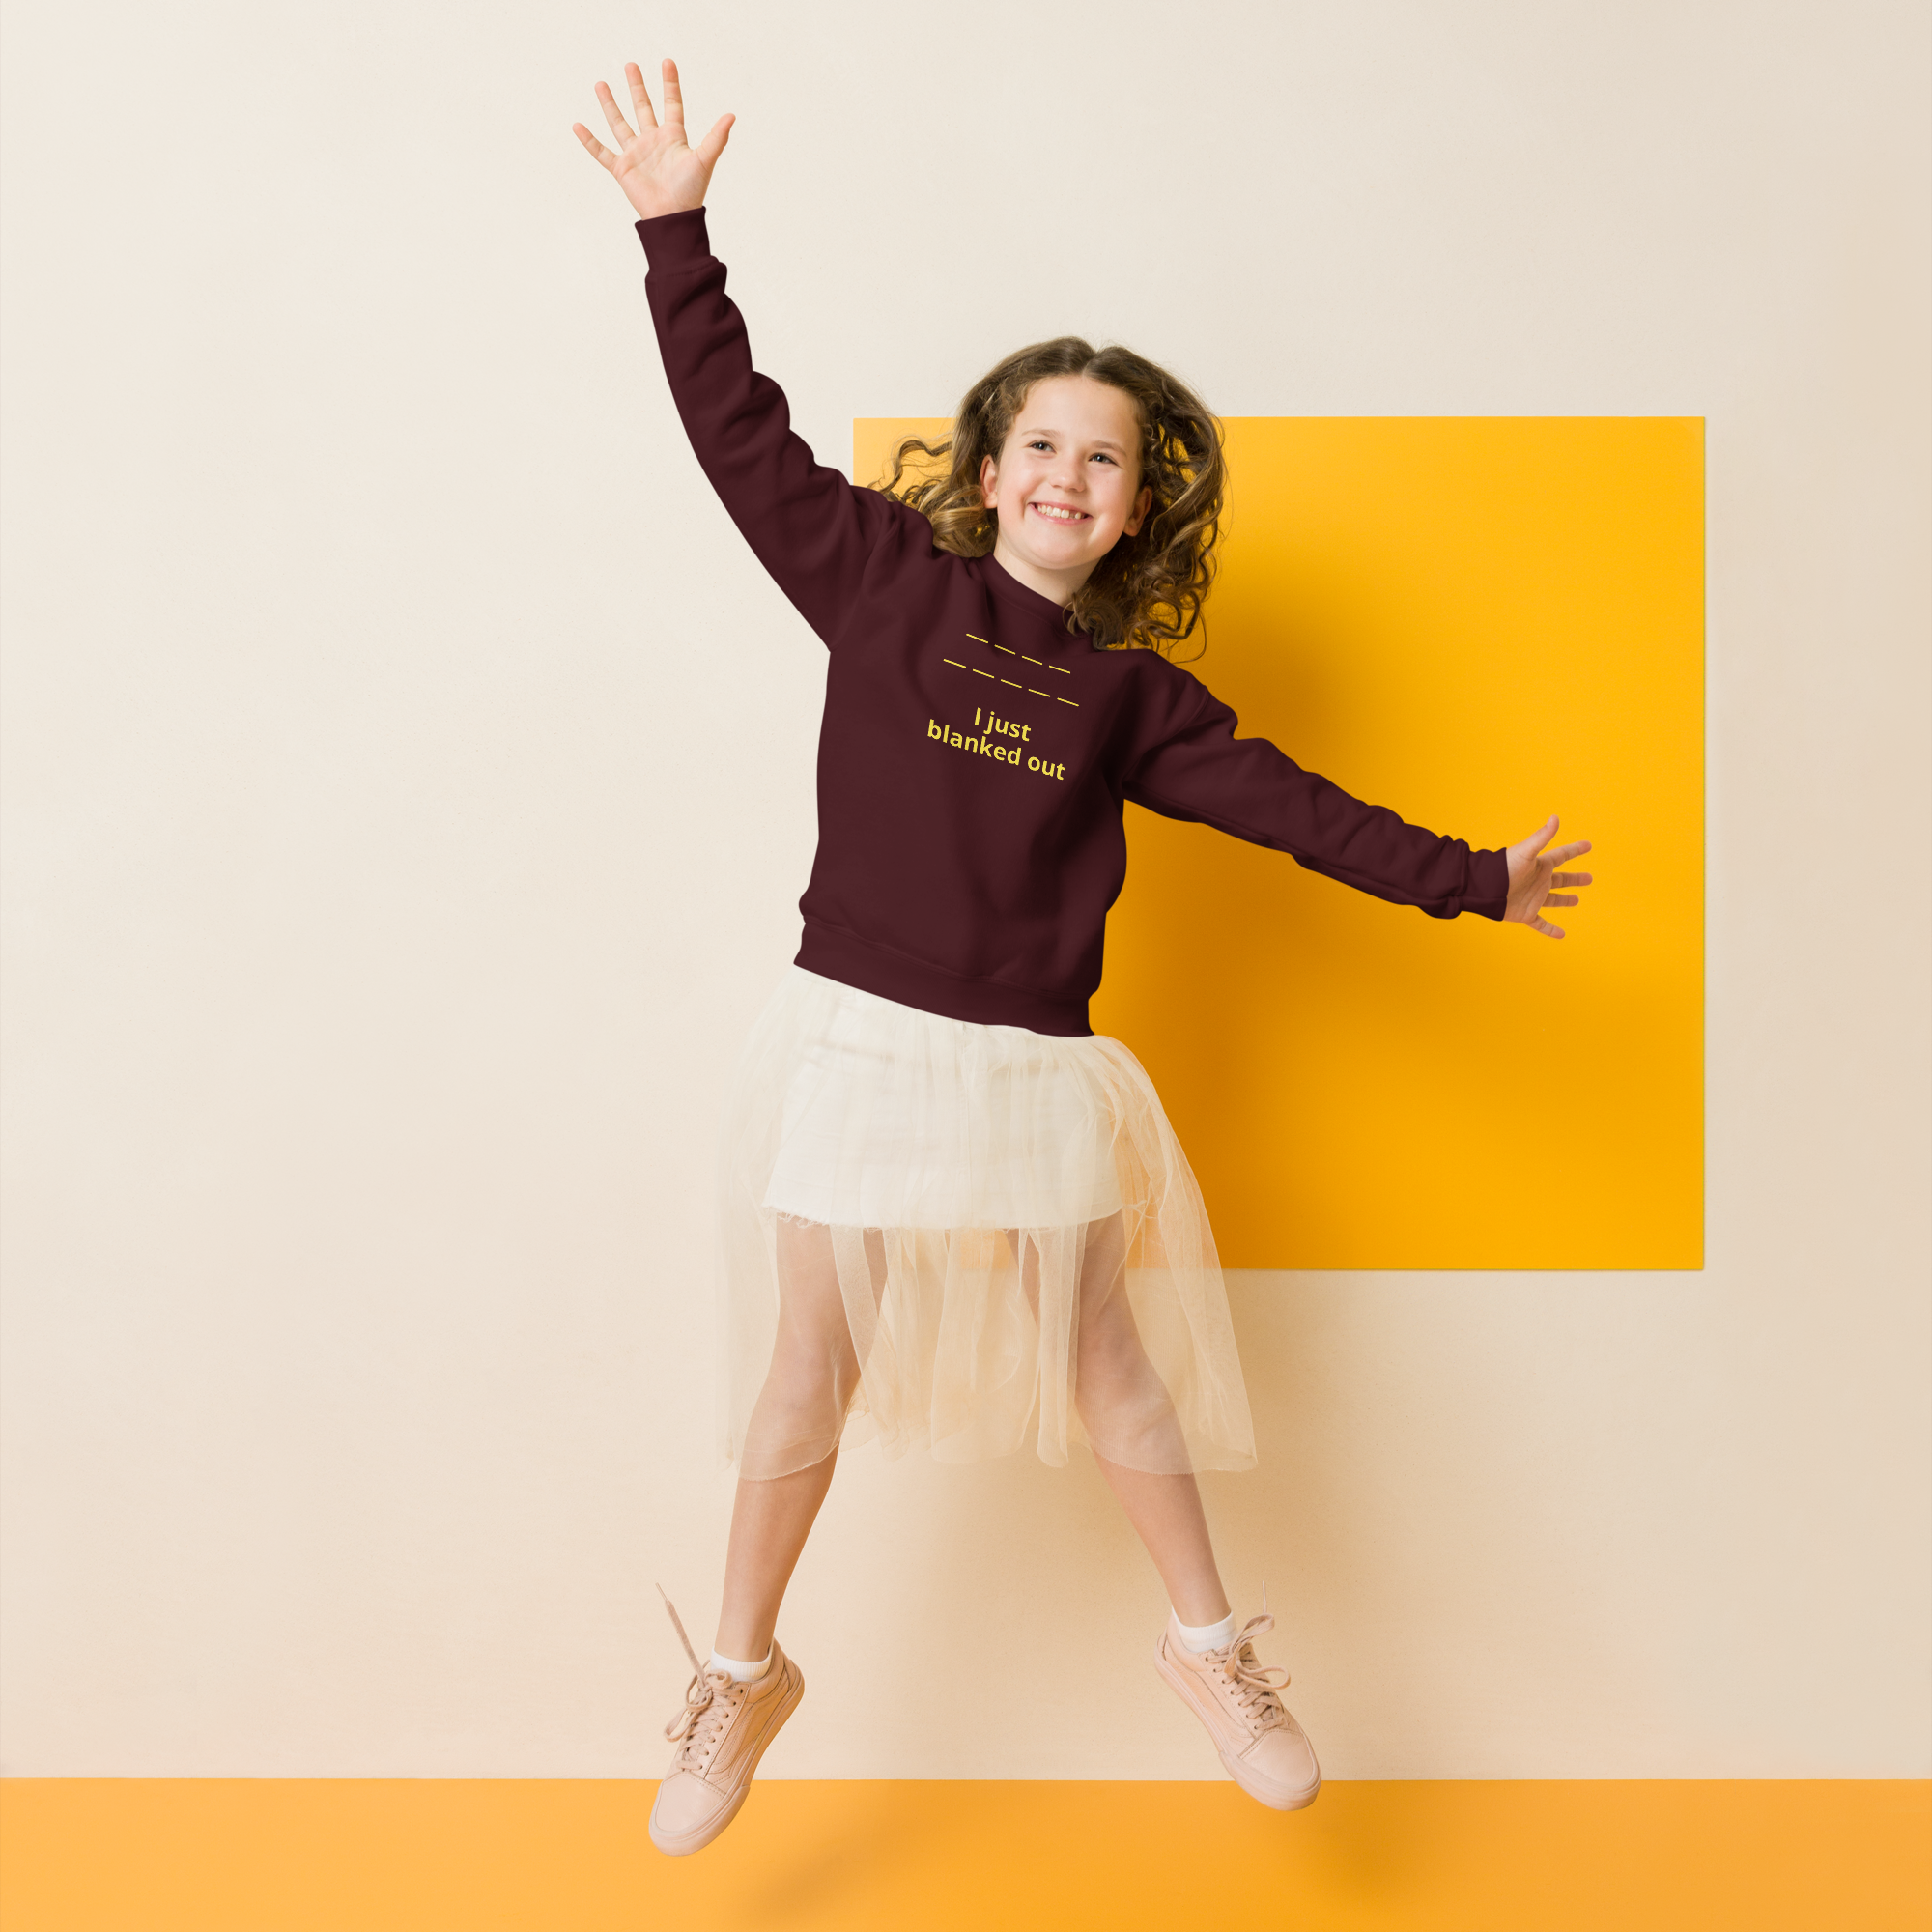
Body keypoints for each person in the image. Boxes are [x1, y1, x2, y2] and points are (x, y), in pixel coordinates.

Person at [572, 59, 1594, 1858]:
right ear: (985, 472)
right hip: (862, 1040)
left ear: (1136, 511)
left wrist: (1469, 882)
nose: (1066, 471)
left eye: (1103, 457)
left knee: (1109, 1354)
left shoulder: (1133, 698)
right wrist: (680, 236)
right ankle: (738, 1674)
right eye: (1038, 441)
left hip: (1032, 1057)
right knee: (810, 1359)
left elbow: (1294, 806)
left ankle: (1211, 1653)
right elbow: (738, 432)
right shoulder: (879, 580)